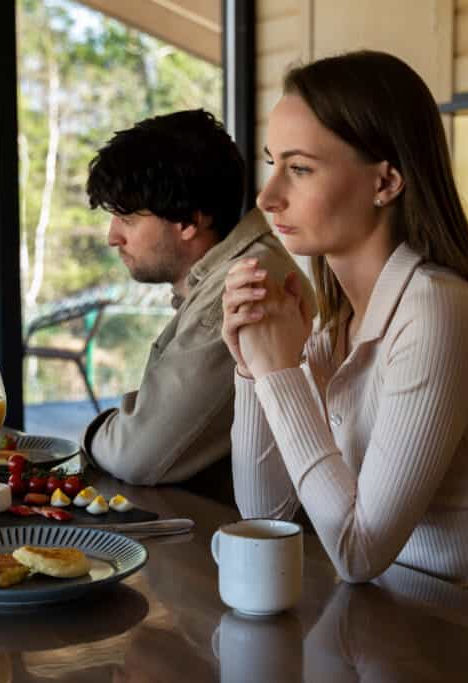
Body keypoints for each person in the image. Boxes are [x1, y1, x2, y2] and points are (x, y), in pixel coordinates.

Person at [222, 51, 468, 610]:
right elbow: (264, 517)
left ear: (386, 181)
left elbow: (358, 551)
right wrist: (253, 368)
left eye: (299, 169)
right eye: (273, 163)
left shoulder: (441, 313)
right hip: (383, 625)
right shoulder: (338, 324)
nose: (267, 196)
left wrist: (280, 374)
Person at [82, 109, 312, 491]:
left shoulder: (244, 287)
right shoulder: (231, 273)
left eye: (128, 219)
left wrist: (92, 435)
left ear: (189, 220)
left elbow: (136, 453)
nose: (112, 237)